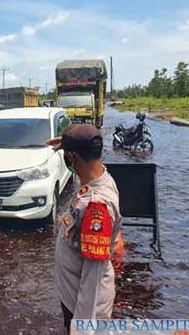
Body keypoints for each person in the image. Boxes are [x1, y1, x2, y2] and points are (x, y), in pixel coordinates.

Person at [47, 124, 122, 333]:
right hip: (73, 294)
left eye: (67, 155)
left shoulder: (95, 205)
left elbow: (93, 276)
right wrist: (70, 145)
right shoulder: (100, 176)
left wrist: (81, 326)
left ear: (72, 158)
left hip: (83, 307)